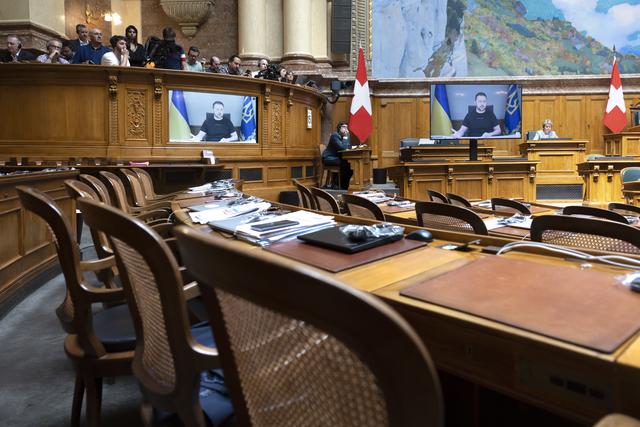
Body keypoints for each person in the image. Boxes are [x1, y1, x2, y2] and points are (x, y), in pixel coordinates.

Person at [322, 122, 353, 190]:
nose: (346, 129)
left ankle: (342, 185)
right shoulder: (334, 135)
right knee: (345, 163)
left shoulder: (343, 136)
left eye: (346, 127)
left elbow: (347, 146)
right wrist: (346, 137)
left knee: (349, 163)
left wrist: (347, 140)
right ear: (339, 128)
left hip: (335, 157)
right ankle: (338, 185)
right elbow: (343, 148)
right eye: (344, 127)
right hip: (328, 158)